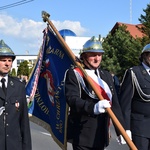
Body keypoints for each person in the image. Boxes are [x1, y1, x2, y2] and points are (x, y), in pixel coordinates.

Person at [64, 36, 128, 150]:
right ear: (84, 56)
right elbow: (72, 99)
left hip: (101, 134)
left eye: (99, 55)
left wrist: (122, 130)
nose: (97, 58)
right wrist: (93, 107)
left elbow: (115, 105)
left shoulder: (106, 75)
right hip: (83, 134)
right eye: (93, 54)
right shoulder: (75, 73)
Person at [0, 40, 32, 150]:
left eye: (9, 60)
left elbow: (24, 121)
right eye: (3, 60)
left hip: (14, 145)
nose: (7, 63)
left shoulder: (18, 86)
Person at [119, 43, 150, 150]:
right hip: (140, 128)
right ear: (145, 56)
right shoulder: (134, 73)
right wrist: (125, 128)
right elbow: (125, 104)